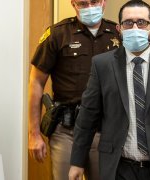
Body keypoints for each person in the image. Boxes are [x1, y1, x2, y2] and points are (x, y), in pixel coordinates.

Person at [69, 1, 150, 180]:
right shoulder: (102, 64)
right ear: (119, 28)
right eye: (128, 23)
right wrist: (77, 161)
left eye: (141, 22)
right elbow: (87, 116)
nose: (134, 28)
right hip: (118, 167)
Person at [28, 0, 120, 179]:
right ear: (73, 4)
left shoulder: (118, 34)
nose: (90, 7)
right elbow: (36, 82)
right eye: (83, 3)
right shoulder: (57, 34)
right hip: (67, 130)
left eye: (94, 1)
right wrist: (34, 134)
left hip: (104, 130)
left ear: (104, 2)